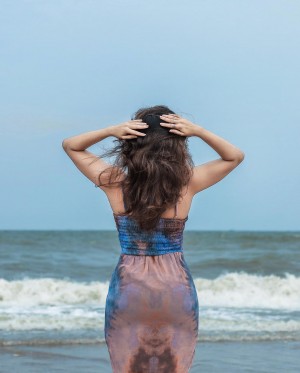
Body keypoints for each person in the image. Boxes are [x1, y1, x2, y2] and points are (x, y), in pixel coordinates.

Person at [62, 105, 245, 372]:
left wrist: (111, 130)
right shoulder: (187, 184)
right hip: (175, 289)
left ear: (131, 144)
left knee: (128, 365)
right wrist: (199, 132)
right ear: (177, 146)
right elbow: (234, 157)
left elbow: (71, 146)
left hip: (130, 289)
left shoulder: (115, 183)